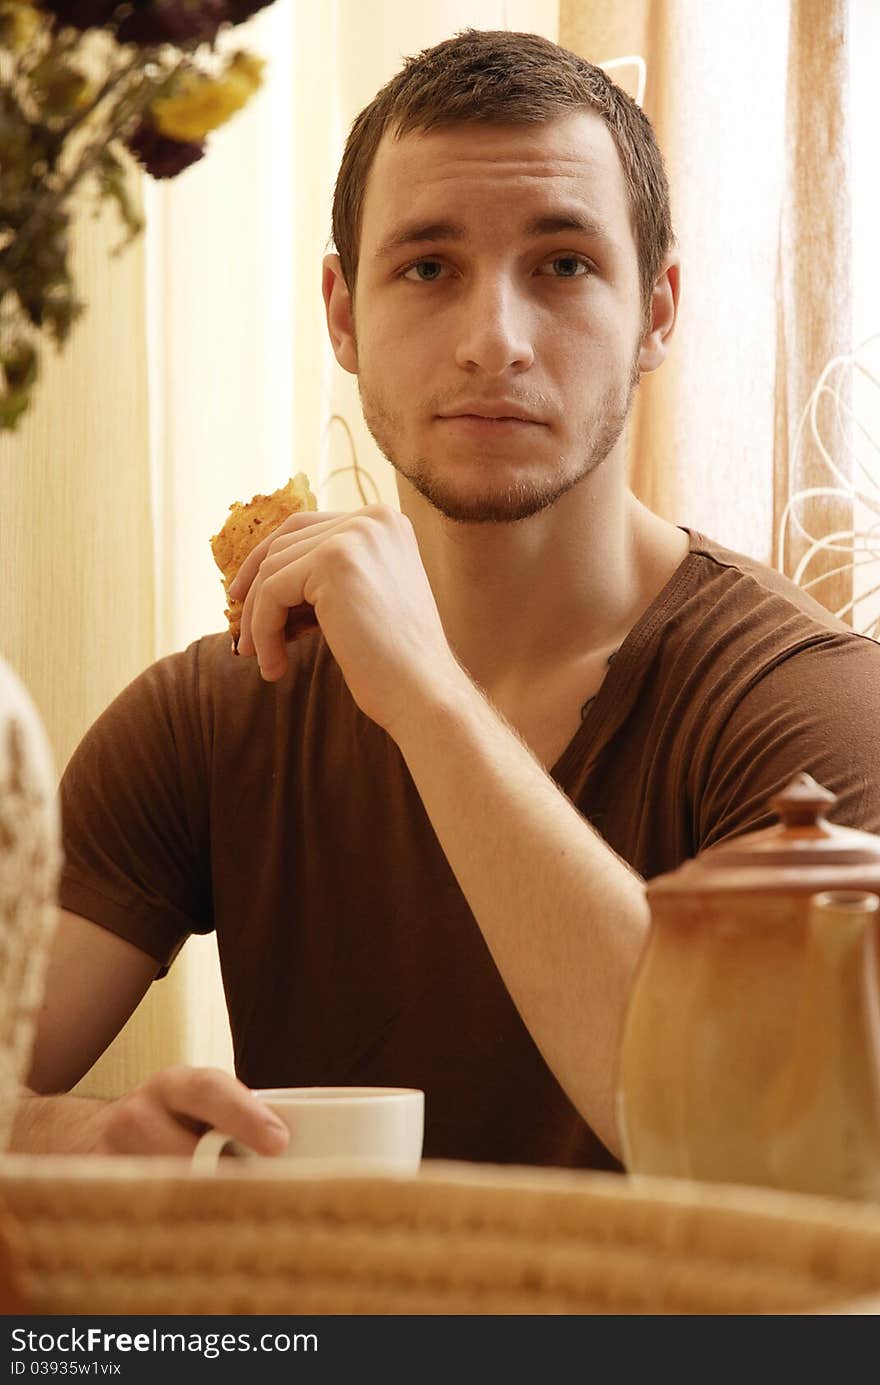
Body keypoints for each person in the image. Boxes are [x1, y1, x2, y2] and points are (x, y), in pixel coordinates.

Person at [12, 29, 880, 1168]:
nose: (493, 344)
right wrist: (96, 1144)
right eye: (426, 267)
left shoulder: (809, 715)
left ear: (658, 311)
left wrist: (424, 694)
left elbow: (753, 1151)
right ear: (342, 314)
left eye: (563, 264)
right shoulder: (210, 717)